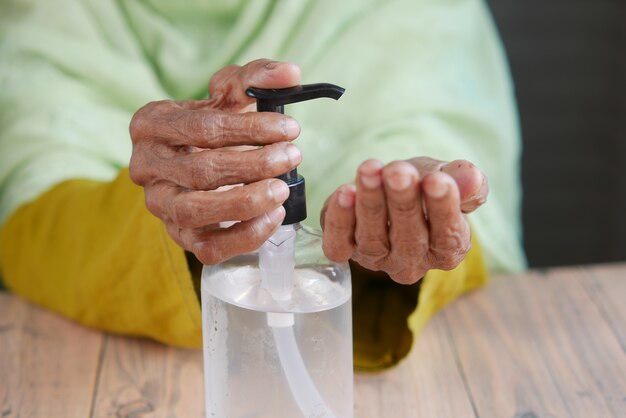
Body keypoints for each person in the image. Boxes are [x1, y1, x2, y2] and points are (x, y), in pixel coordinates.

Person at [0, 0, 525, 371]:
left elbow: (423, 114)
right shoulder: (48, 14)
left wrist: (395, 211)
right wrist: (178, 208)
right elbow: (37, 189)